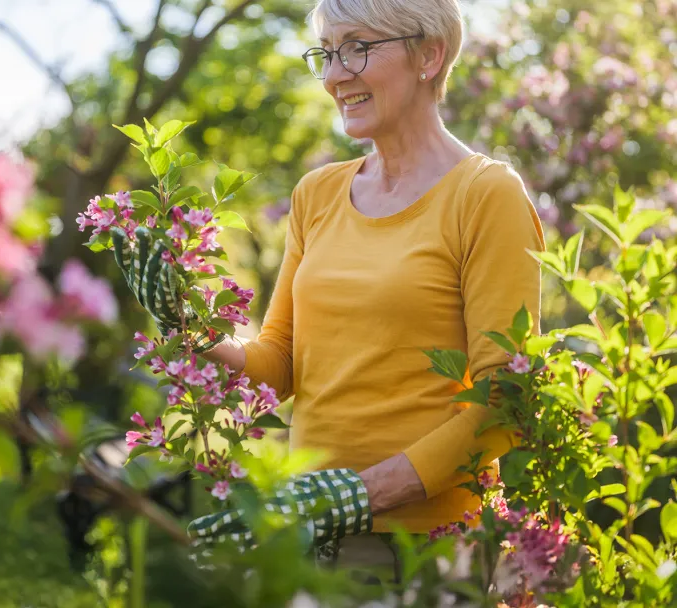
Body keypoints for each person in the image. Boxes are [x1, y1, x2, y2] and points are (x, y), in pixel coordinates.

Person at [113, 0, 545, 581]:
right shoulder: (316, 194)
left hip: (421, 547)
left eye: (358, 49)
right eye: (327, 54)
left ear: (429, 55)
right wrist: (189, 328)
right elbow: (280, 364)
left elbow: (506, 398)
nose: (336, 75)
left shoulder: (485, 195)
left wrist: (359, 495)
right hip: (308, 530)